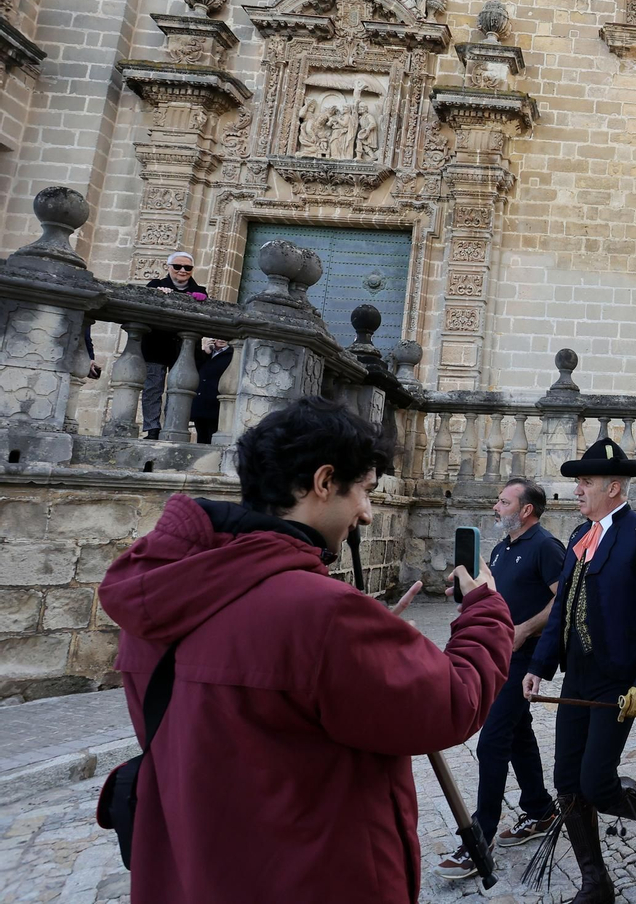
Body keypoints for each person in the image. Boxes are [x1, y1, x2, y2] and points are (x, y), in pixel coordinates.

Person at [97, 396, 513, 903]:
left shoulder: (164, 595)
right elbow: (453, 702)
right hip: (314, 877)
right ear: (323, 482)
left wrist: (367, 643)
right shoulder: (321, 615)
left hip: (195, 874)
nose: (367, 513)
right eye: (364, 491)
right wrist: (485, 609)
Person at [523, 438, 636, 901]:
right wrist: (539, 665)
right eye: (578, 482)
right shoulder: (579, 537)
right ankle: (596, 884)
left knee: (596, 782)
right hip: (578, 677)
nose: (577, 490)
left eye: (586, 482)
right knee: (568, 785)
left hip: (618, 679)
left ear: (613, 488)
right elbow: (561, 611)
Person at [437, 478, 566, 880]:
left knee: (492, 740)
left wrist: (524, 629)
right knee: (517, 733)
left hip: (523, 657)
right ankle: (541, 810)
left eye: (504, 502)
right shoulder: (501, 548)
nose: (495, 507)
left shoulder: (545, 546)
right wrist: (470, 594)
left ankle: (480, 836)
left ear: (526, 510)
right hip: (498, 655)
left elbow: (563, 598)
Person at [141, 252, 207, 439]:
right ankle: (152, 429)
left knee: (178, 389)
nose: (182, 270)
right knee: (152, 389)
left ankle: (171, 426)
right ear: (168, 267)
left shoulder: (200, 291)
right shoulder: (155, 285)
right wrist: (158, 293)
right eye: (177, 266)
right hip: (156, 345)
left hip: (184, 348)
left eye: (187, 267)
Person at [189, 339, 233, 444]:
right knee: (201, 438)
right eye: (219, 337)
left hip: (216, 404)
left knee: (212, 438)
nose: (221, 340)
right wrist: (205, 353)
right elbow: (194, 369)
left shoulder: (232, 354)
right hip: (200, 403)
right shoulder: (207, 354)